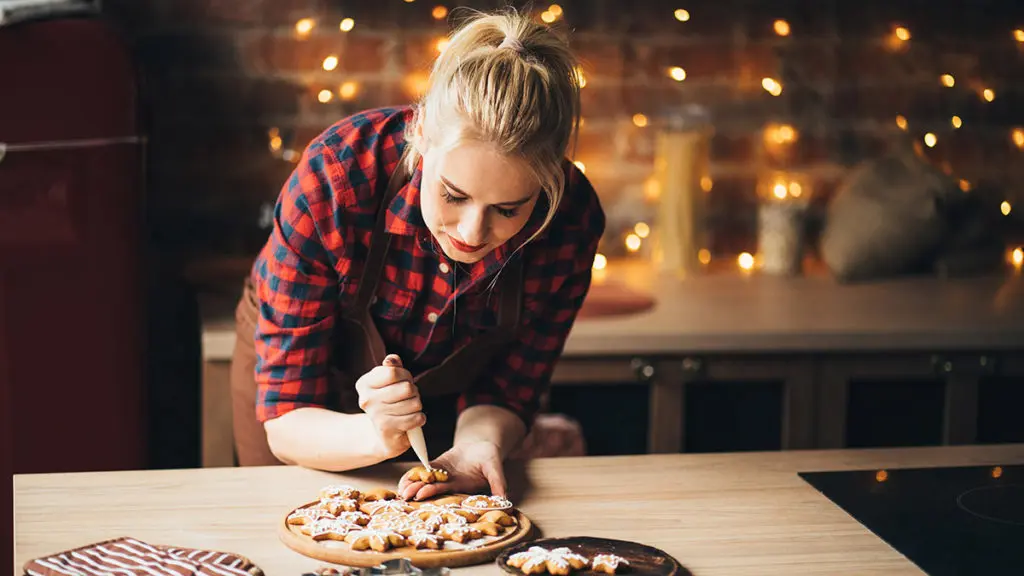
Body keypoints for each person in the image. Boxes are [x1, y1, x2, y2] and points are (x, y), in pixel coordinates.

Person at [229, 8, 604, 502]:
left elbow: (509, 386)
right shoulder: (335, 180)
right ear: (422, 131)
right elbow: (286, 416)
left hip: (441, 413)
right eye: (453, 194)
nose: (472, 233)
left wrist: (477, 445)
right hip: (300, 414)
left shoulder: (571, 221)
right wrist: (377, 435)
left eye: (509, 209)